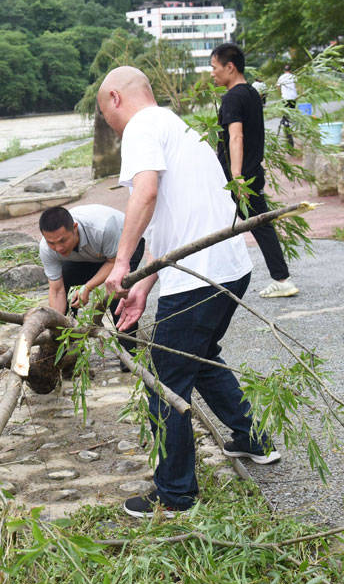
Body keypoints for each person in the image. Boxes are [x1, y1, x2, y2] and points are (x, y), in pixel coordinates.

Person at [98, 66, 281, 519]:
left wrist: (121, 263)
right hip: (229, 268)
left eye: (105, 113)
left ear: (116, 99)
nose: (109, 123)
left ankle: (175, 494)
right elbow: (169, 222)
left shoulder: (141, 126)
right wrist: (142, 283)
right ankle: (252, 439)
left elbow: (146, 193)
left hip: (199, 275)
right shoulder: (176, 126)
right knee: (199, 356)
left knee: (165, 378)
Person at [210, 43, 298, 299]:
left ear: (230, 67)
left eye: (214, 68)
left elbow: (236, 137)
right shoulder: (250, 93)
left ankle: (281, 279)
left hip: (241, 178)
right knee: (253, 224)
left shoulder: (233, 97)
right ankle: (219, 280)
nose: (212, 74)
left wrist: (236, 178)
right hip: (250, 172)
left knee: (258, 224)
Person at [37, 204, 144, 360]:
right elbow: (57, 290)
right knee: (66, 280)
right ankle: (67, 345)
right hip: (91, 255)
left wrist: (87, 287)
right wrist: (57, 326)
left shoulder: (104, 228)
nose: (58, 248)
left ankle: (128, 351)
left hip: (124, 248)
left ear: (74, 228)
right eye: (51, 243)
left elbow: (114, 262)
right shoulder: (47, 249)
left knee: (116, 292)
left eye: (62, 241)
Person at [276, 64, 298, 148]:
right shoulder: (293, 76)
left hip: (285, 98)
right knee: (291, 113)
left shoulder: (281, 77)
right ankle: (290, 124)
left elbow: (277, 86)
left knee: (286, 115)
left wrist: (281, 92)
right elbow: (296, 84)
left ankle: (287, 125)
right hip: (293, 98)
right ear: (290, 70)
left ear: (284, 70)